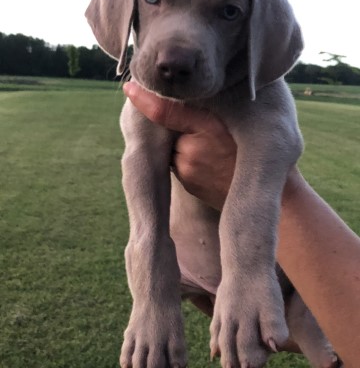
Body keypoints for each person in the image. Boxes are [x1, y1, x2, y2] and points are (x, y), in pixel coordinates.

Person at [122, 81, 360, 367]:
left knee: (302, 311)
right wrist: (152, 298)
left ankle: (315, 337)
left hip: (274, 271)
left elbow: (280, 133)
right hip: (182, 267)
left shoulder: (259, 83)